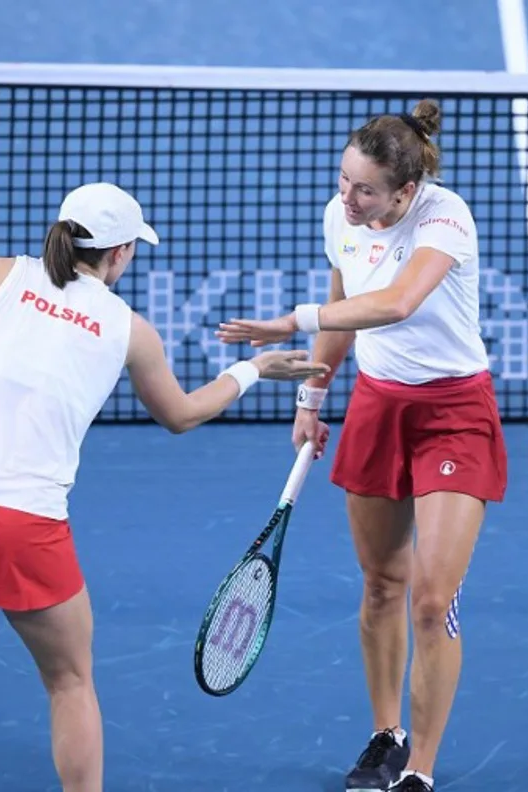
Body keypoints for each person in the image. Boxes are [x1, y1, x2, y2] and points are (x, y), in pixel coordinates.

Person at [0, 181, 328, 792]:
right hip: (25, 527)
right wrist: (252, 367)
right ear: (120, 253)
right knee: (70, 682)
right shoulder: (130, 330)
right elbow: (180, 414)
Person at [216, 100, 508, 792]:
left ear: (405, 192)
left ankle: (420, 770)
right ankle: (386, 736)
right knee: (382, 584)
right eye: (343, 180)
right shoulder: (338, 219)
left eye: (365, 189)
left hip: (453, 412)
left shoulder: (444, 217)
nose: (347, 198)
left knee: (432, 599)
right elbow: (345, 309)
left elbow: (398, 302)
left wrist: (290, 321)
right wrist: (312, 399)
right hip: (378, 407)